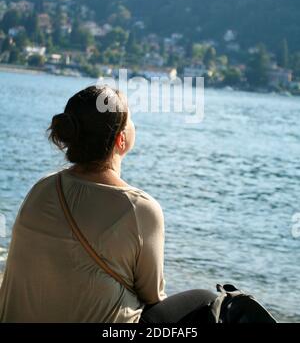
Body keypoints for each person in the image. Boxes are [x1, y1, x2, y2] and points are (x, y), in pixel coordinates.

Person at [0, 85, 275, 323]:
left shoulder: (42, 188)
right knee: (216, 303)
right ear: (121, 139)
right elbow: (153, 297)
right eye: (131, 119)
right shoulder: (139, 208)